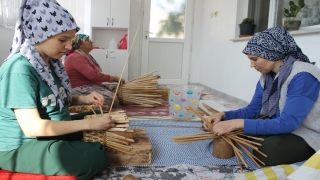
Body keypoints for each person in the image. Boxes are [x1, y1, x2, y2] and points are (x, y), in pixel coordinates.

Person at [0, 0, 115, 179]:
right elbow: (32, 127)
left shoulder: (50, 63)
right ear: (38, 33)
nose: (69, 46)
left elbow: (51, 97)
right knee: (95, 156)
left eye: (71, 40)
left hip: (49, 131)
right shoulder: (19, 70)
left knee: (102, 121)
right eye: (62, 39)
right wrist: (89, 125)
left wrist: (83, 100)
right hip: (22, 145)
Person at [205, 27, 319, 166]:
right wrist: (223, 115)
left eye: (255, 59)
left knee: (267, 151)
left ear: (272, 53)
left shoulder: (303, 75)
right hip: (284, 122)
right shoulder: (267, 77)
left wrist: (237, 123)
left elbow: (289, 123)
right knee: (238, 130)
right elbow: (253, 110)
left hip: (310, 132)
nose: (252, 65)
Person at [64, 34, 125, 105]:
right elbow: (93, 75)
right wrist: (113, 78)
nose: (92, 42)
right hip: (79, 88)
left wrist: (112, 79)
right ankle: (79, 99)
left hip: (92, 85)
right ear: (80, 44)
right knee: (111, 98)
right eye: (88, 40)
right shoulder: (75, 57)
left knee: (119, 90)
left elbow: (96, 74)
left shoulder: (85, 56)